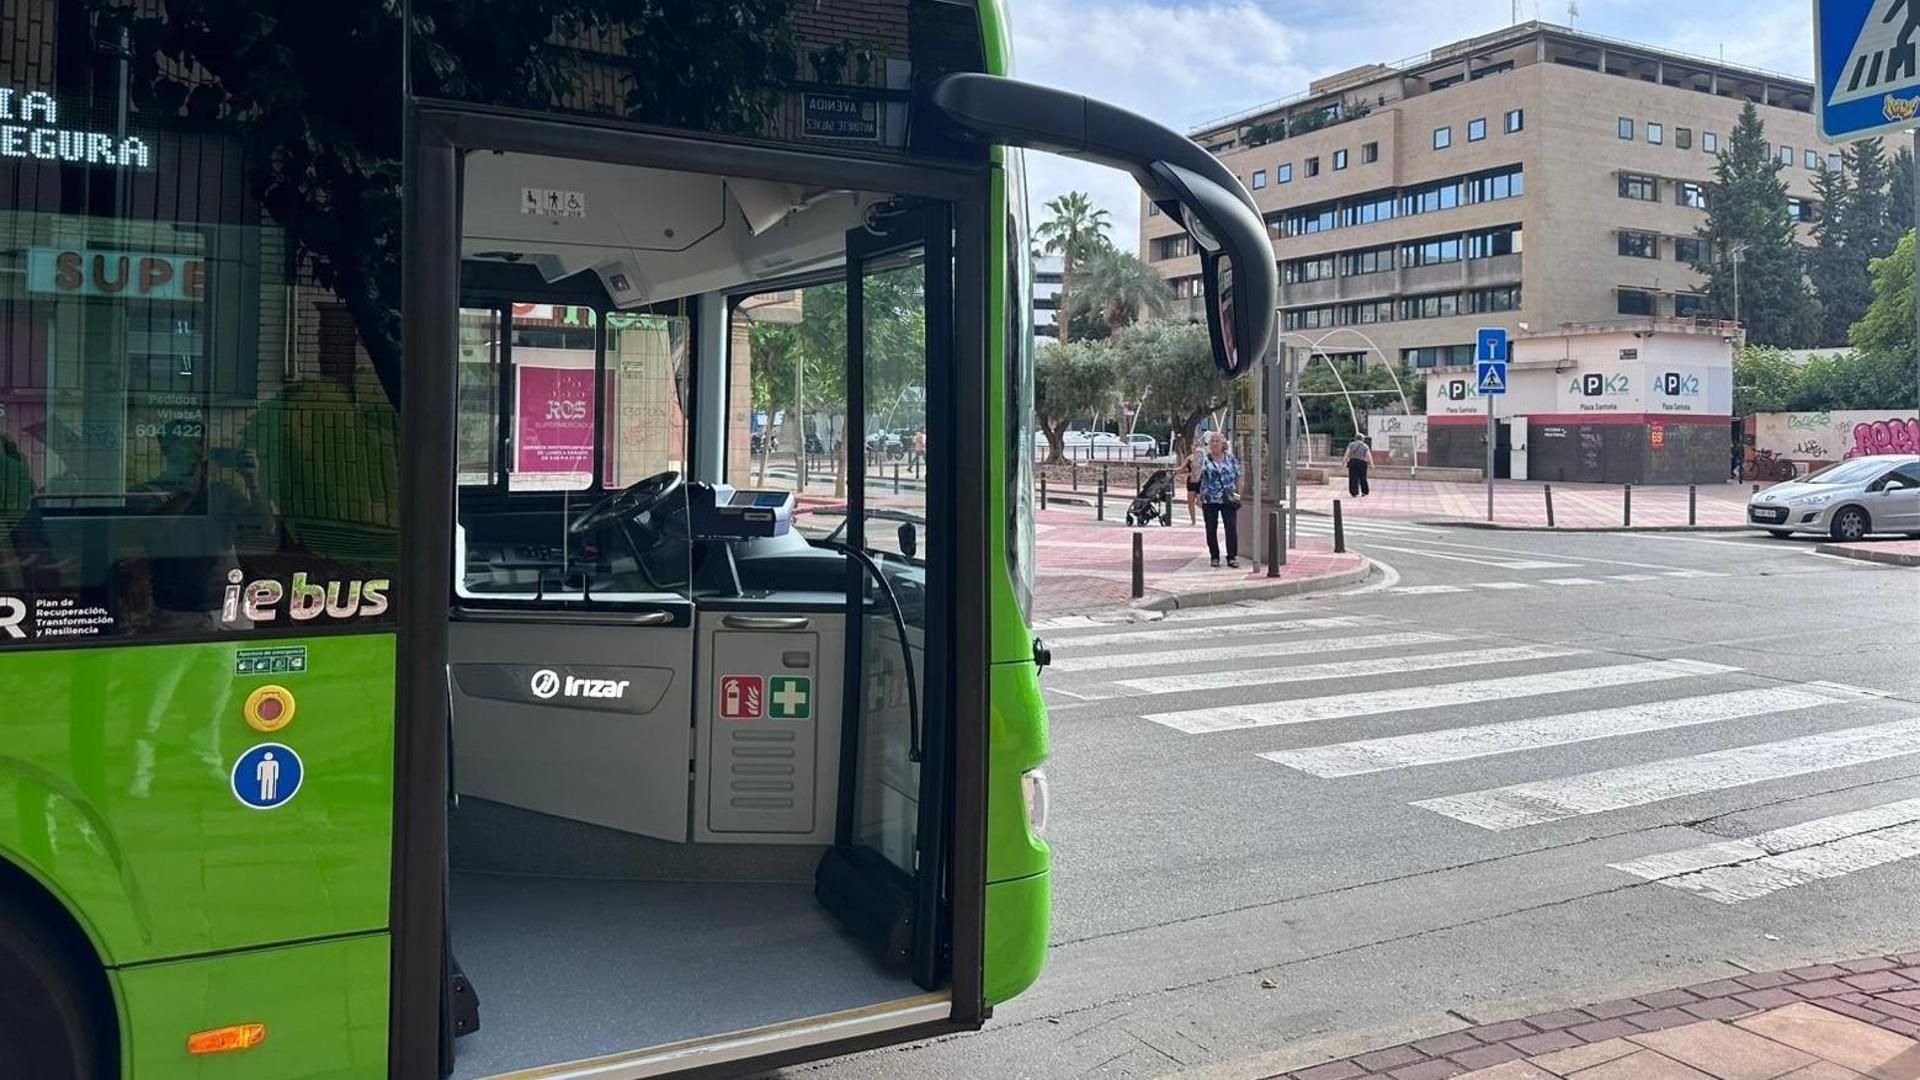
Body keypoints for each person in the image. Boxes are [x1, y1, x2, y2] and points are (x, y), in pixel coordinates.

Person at [1199, 431, 1241, 568]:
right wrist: (1198, 495)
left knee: (1231, 527)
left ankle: (1232, 556)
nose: (1215, 443)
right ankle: (1214, 556)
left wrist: (1238, 494)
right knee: (1211, 528)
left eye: (1217, 441)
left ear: (1223, 443)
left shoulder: (1231, 459)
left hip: (1228, 498)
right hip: (1210, 499)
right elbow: (1199, 478)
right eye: (1212, 441)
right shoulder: (1205, 460)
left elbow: (1237, 477)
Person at [1181, 438, 1206, 526]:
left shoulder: (1203, 456)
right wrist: (1173, 471)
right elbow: (1182, 468)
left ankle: (1208, 514)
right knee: (1190, 501)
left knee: (1199, 501)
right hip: (1191, 481)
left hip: (1200, 480)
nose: (1194, 447)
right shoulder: (1189, 457)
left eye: (1196, 445)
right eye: (1193, 445)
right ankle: (1193, 521)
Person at [1343, 429, 1373, 498]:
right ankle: (1364, 492)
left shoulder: (1351, 444)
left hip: (1353, 462)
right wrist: (1372, 465)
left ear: (1355, 438)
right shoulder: (1365, 446)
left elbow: (1347, 454)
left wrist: (1343, 462)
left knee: (1353, 477)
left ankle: (1354, 492)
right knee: (1363, 477)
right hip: (1362, 463)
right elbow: (1369, 456)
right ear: (1363, 439)